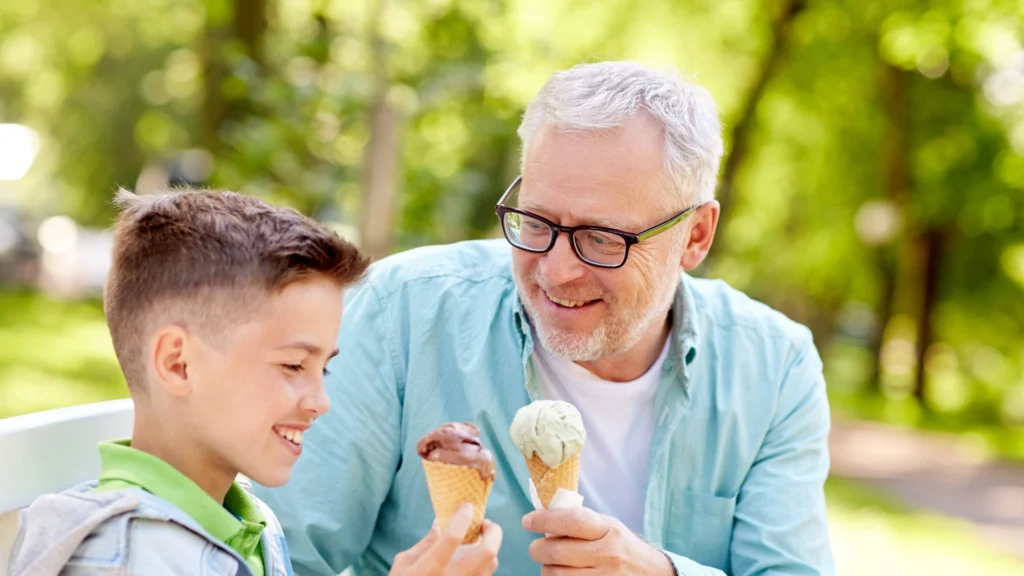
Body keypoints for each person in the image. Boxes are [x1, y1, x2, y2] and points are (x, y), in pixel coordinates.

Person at [256, 60, 835, 576]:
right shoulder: (401, 312)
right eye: (536, 222)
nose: (556, 272)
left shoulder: (775, 366)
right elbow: (277, 559)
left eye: (602, 238)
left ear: (696, 236)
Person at [8, 188, 502, 576]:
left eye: (323, 368)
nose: (321, 401)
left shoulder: (247, 519)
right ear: (178, 363)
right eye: (293, 366)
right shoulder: (131, 558)